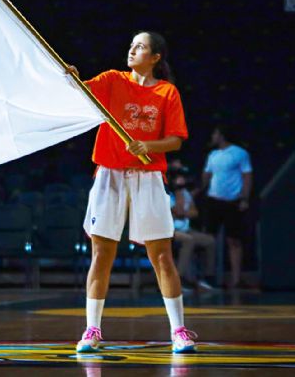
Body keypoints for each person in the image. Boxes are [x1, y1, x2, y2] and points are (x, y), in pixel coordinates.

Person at [66, 31, 197, 354]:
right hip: (109, 174)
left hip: (148, 176)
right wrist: (72, 78)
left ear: (155, 57)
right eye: (131, 45)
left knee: (162, 255)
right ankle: (92, 329)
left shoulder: (167, 92)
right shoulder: (112, 79)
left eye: (140, 47)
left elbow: (175, 140)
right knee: (102, 255)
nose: (132, 50)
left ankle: (179, 330)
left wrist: (148, 146)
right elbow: (80, 94)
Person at [198, 124, 253, 290]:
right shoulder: (213, 155)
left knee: (234, 240)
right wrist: (198, 190)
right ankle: (208, 278)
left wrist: (244, 198)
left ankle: (236, 279)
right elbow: (206, 176)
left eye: (215, 134)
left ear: (221, 135)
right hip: (214, 200)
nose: (212, 137)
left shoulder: (239, 153)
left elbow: (247, 176)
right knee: (209, 239)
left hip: (232, 201)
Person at [170, 173, 216, 291]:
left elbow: (194, 213)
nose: (182, 185)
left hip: (185, 229)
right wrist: (179, 196)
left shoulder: (186, 194)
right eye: (179, 184)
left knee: (210, 241)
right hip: (169, 231)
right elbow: (179, 211)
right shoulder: (167, 196)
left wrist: (184, 212)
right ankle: (178, 279)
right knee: (189, 240)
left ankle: (207, 277)